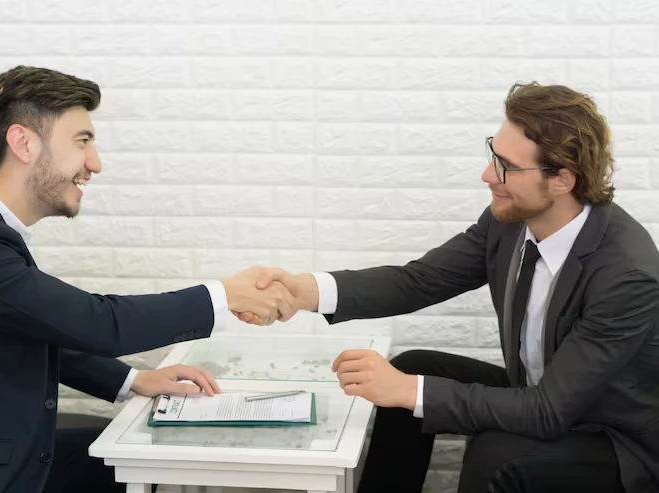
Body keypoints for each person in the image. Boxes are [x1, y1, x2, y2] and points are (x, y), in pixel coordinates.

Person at [237, 82, 659, 493]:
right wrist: (302, 291)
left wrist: (408, 391)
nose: (487, 174)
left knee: (493, 455)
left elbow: (549, 411)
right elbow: (418, 281)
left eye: (506, 167)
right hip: (541, 396)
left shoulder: (626, 275)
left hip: (613, 437)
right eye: (494, 154)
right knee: (413, 367)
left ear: (562, 180)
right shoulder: (508, 221)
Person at [0, 66, 295, 493]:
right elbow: (95, 323)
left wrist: (131, 381)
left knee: (144, 461)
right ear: (23, 143)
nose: (94, 163)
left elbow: (31, 327)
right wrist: (223, 296)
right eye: (83, 141)